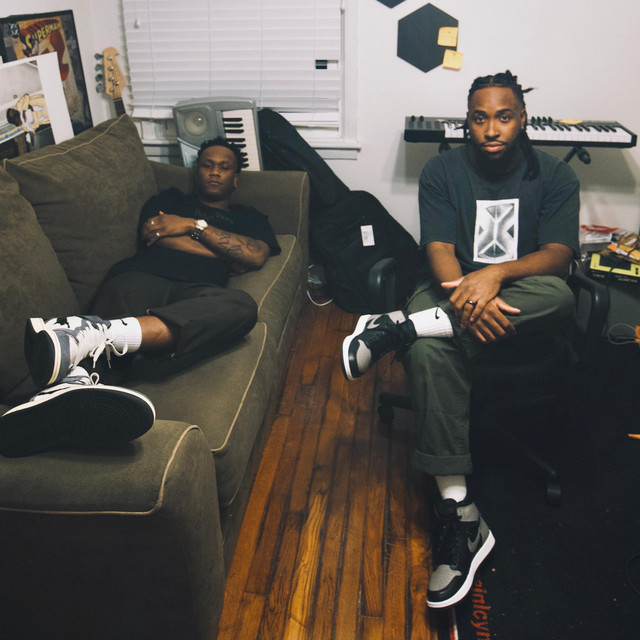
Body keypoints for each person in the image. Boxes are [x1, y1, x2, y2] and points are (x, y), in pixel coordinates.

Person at [341, 71, 579, 609]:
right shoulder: (442, 170)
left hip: (520, 290)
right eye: (479, 118)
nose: (491, 129)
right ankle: (461, 513)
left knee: (561, 297)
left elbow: (559, 256)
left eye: (504, 116)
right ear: (467, 121)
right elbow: (440, 249)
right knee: (431, 350)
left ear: (522, 119)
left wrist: (494, 276)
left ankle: (400, 328)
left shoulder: (556, 174)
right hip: (451, 289)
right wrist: (469, 295)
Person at [0, 137, 281, 458]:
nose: (214, 172)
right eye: (207, 165)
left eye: (224, 167)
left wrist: (190, 225)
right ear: (197, 171)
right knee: (108, 367)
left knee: (242, 307)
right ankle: (78, 373)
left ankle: (86, 346)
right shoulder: (171, 198)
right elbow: (155, 235)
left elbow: (255, 255)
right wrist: (227, 253)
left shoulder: (248, 217)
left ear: (235, 178)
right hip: (141, 277)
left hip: (198, 291)